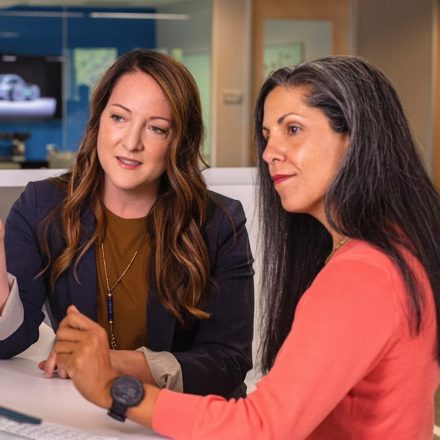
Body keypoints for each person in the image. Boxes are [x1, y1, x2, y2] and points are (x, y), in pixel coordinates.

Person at [53, 55, 440, 439]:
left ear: (357, 138)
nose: (270, 152)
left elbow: (262, 427)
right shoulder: (395, 249)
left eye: (293, 129)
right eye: (268, 135)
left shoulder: (364, 273)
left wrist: (113, 390)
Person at [0, 49, 255, 399]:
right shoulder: (43, 205)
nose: (131, 143)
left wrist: (115, 363)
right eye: (119, 118)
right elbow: (11, 341)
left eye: (156, 128)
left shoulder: (218, 222)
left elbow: (228, 363)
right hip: (85, 412)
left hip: (184, 418)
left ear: (179, 140)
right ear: (98, 120)